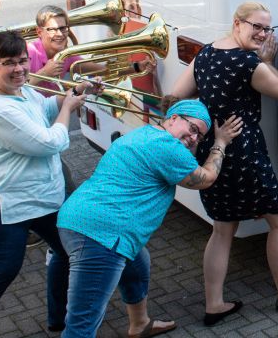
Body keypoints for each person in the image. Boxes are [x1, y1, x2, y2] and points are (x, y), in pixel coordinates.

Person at [171, 1, 278, 323]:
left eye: (267, 28)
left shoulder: (207, 53)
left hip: (213, 150)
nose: (263, 33)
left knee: (223, 229)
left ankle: (214, 303)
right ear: (237, 23)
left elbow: (176, 93)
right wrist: (265, 60)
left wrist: (210, 115)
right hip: (244, 152)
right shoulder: (245, 62)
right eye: (256, 26)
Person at [57, 100, 243, 338]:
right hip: (102, 234)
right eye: (193, 129)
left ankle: (140, 324)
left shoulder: (146, 134)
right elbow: (205, 178)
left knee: (137, 262)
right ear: (174, 118)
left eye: (201, 136)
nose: (195, 138)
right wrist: (220, 142)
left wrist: (194, 140)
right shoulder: (168, 148)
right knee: (83, 322)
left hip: (79, 218)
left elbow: (184, 159)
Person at [0, 31, 91, 338]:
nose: (19, 68)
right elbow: (48, 142)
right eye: (8, 63)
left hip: (35, 198)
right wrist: (69, 110)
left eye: (23, 60)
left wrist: (70, 94)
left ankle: (60, 321)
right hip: (0, 205)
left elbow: (42, 109)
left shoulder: (21, 90)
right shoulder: (0, 110)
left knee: (68, 251)